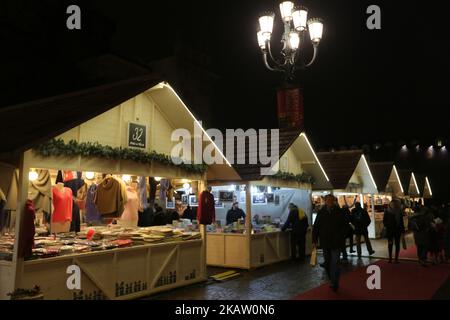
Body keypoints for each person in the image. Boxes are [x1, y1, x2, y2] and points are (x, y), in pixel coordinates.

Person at [313, 194, 347, 292]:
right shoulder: (321, 212)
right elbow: (316, 227)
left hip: (336, 242)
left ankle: (335, 282)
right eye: (328, 200)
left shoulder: (339, 212)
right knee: (327, 263)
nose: (329, 202)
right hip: (325, 242)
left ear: (334, 201)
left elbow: (345, 226)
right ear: (325, 201)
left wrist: (341, 236)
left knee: (335, 262)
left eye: (331, 200)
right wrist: (314, 240)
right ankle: (332, 279)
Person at [409, 202, 433, 266]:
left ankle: (420, 259)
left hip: (416, 233)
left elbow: (409, 227)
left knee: (419, 246)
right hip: (423, 233)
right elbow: (427, 225)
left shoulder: (411, 217)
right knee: (425, 246)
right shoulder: (422, 217)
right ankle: (423, 259)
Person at [383, 199, 405, 264]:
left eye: (395, 204)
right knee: (390, 244)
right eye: (393, 204)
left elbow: (401, 222)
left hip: (397, 230)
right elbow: (384, 221)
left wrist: (402, 230)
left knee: (397, 244)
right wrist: (387, 225)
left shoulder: (399, 211)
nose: (394, 205)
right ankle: (390, 258)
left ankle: (396, 258)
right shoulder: (387, 211)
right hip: (390, 230)